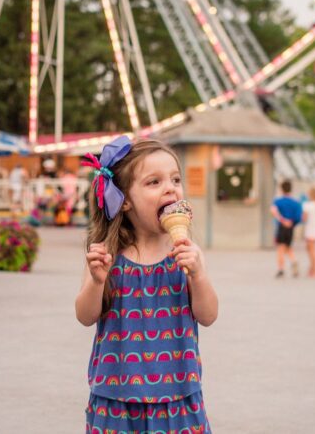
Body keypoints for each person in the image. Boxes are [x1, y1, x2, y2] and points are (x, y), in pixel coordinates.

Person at [75, 136, 217, 432]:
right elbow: (85, 316)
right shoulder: (106, 255)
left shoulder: (186, 254)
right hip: (115, 399)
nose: (170, 188)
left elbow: (208, 315)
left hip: (178, 396)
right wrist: (96, 282)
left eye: (176, 179)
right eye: (154, 182)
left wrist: (199, 275)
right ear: (124, 199)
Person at [270, 180, 303, 278]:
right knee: (288, 247)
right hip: (290, 228)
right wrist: (291, 223)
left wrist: (282, 220)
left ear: (281, 189)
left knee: (280, 248)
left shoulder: (278, 201)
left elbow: (273, 211)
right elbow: (298, 217)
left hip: (282, 227)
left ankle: (281, 269)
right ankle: (294, 261)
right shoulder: (295, 202)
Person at [302, 187, 315, 278]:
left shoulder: (307, 205)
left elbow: (304, 218)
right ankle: (312, 268)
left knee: (311, 250)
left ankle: (314, 270)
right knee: (311, 248)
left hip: (310, 229)